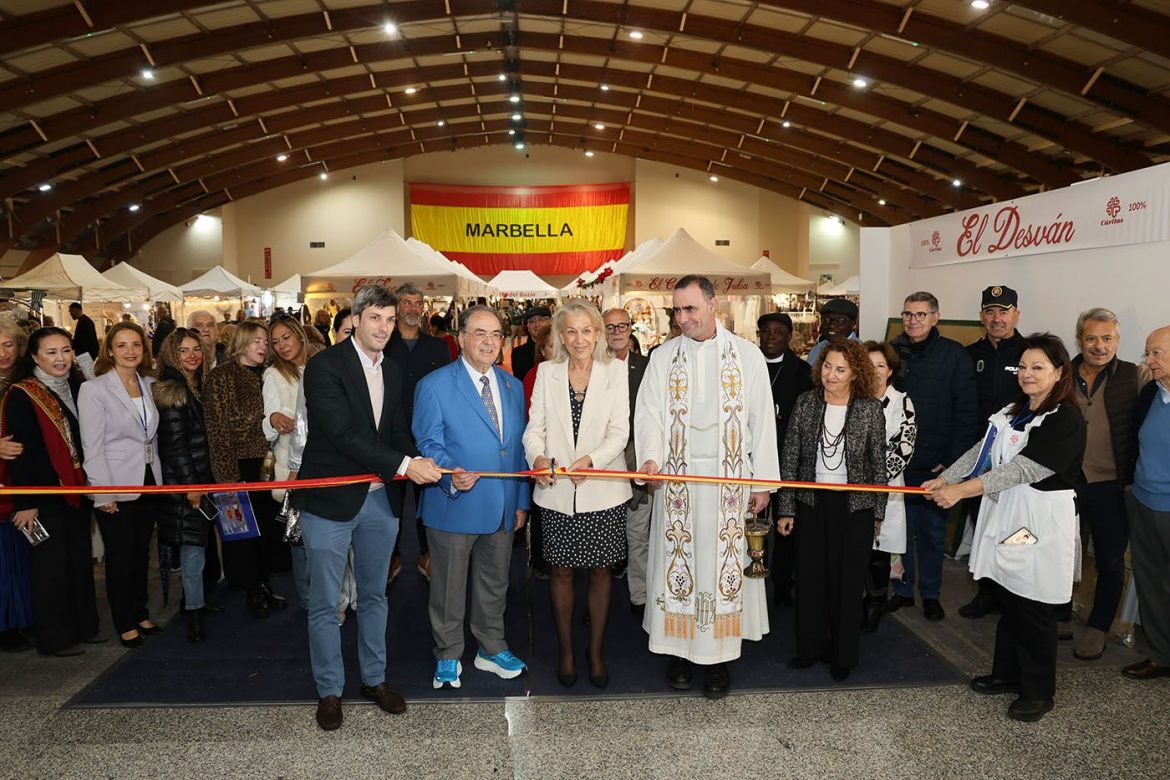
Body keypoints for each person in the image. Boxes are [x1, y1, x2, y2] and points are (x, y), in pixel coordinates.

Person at [292, 285, 441, 731]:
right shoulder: (324, 366)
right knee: (325, 603)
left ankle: (374, 680)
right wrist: (406, 465)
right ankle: (329, 690)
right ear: (355, 319)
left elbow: (395, 430)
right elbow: (342, 434)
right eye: (375, 318)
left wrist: (429, 461)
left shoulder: (391, 370)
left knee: (375, 596)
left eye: (390, 320)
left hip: (379, 500)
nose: (384, 327)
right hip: (329, 501)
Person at [924, 333, 1086, 722]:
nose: (1027, 374)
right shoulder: (1015, 411)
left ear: (1059, 371)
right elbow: (981, 452)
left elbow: (1021, 470)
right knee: (1008, 595)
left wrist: (960, 491)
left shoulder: (1063, 418)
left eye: (1038, 367)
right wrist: (947, 479)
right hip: (1009, 512)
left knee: (1033, 603)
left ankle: (1038, 690)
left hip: (1038, 520)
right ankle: (1007, 674)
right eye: (1023, 367)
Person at [634, 275, 779, 699]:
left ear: (713, 305)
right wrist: (650, 459)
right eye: (677, 310)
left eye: (690, 308)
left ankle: (718, 661)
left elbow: (761, 421)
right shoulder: (663, 357)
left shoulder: (747, 356)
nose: (682, 318)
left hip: (728, 485)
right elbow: (649, 414)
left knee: (721, 570)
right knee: (679, 565)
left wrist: (763, 482)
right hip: (677, 483)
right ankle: (678, 653)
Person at [413, 305, 531, 691]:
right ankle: (448, 653)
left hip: (502, 505)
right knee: (448, 587)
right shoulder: (434, 385)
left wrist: (521, 501)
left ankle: (491, 648)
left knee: (495, 583)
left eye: (496, 334)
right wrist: (452, 474)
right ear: (461, 338)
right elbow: (429, 443)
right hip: (453, 503)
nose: (488, 341)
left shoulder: (512, 386)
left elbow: (518, 449)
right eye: (479, 333)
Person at [524, 300, 631, 688]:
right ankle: (567, 650)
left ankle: (595, 651)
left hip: (603, 489)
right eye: (571, 331)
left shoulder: (615, 371)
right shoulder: (546, 372)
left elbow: (619, 432)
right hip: (555, 490)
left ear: (598, 333)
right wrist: (537, 457)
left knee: (602, 572)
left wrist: (592, 461)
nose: (579, 338)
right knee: (561, 572)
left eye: (586, 330)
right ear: (560, 335)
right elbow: (534, 428)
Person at [777, 339, 887, 681]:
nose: (831, 375)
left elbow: (878, 464)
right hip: (811, 503)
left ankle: (842, 654)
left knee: (847, 582)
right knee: (810, 578)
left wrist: (878, 513)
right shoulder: (806, 402)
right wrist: (786, 508)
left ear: (855, 373)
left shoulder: (870, 408)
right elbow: (790, 457)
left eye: (840, 369)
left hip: (855, 507)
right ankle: (809, 649)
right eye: (827, 366)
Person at [2, 328, 101, 656]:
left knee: (79, 561)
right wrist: (26, 501)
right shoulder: (23, 394)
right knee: (51, 568)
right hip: (43, 496)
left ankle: (85, 627)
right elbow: (20, 453)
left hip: (75, 490)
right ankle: (55, 639)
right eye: (51, 352)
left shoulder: (78, 385)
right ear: (34, 357)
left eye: (66, 350)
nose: (61, 359)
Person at [889, 291, 978, 621]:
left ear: (935, 317)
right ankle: (902, 591)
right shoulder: (892, 352)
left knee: (931, 534)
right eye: (908, 314)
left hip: (935, 465)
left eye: (921, 314)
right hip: (897, 463)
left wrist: (951, 461)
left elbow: (967, 412)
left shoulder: (954, 355)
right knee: (898, 532)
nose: (913, 321)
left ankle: (930, 595)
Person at [1066, 309, 1147, 660]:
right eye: (1091, 338)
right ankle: (1058, 616)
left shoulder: (1134, 376)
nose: (1099, 346)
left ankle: (1098, 629)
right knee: (1062, 553)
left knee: (1111, 561)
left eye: (1107, 338)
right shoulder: (1062, 374)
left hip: (1110, 486)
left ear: (1117, 340)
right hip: (1066, 482)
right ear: (1079, 340)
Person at [78, 322, 162, 649]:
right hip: (114, 481)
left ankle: (140, 612)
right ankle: (124, 621)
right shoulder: (94, 389)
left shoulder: (149, 384)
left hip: (149, 479)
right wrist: (103, 492)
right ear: (110, 351)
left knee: (141, 552)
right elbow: (92, 445)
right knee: (120, 556)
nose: (130, 351)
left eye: (136, 345)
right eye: (122, 345)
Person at [204, 321, 288, 618]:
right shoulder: (221, 377)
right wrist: (227, 479)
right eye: (257, 341)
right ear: (241, 343)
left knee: (266, 530)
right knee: (243, 535)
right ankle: (252, 590)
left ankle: (264, 585)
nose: (263, 346)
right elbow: (217, 431)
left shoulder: (270, 373)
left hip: (268, 463)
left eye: (266, 341)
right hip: (237, 466)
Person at [960, 285, 1027, 620]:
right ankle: (986, 592)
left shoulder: (1031, 353)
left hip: (1019, 458)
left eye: (1003, 311)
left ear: (1016, 314)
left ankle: (1015, 594)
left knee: (1016, 527)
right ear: (981, 316)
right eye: (990, 312)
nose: (996, 318)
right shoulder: (969, 355)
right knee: (983, 524)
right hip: (979, 458)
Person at [153, 328, 220, 643]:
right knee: (192, 549)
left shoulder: (196, 384)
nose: (192, 355)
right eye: (184, 350)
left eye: (196, 349)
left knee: (198, 546)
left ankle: (197, 603)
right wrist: (193, 486)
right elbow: (175, 447)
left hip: (200, 477)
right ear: (171, 355)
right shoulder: (172, 390)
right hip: (186, 482)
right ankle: (194, 613)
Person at [385, 283, 451, 584]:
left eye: (417, 303)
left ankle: (428, 554)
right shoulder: (383, 345)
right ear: (397, 307)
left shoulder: (438, 348)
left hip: (429, 437)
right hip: (391, 436)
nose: (412, 308)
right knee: (392, 503)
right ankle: (392, 557)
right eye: (406, 302)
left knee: (429, 500)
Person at [1122, 325, 1170, 681]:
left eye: (1157, 353)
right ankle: (1161, 653)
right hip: (1142, 500)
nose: (1149, 361)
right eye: (1148, 353)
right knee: (1151, 581)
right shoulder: (1152, 392)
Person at [262, 315, 320, 608]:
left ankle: (336, 596)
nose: (282, 345)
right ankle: (310, 600)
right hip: (293, 466)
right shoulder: (274, 374)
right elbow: (268, 417)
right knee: (299, 534)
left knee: (329, 534)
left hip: (327, 461)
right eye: (275, 342)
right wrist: (274, 419)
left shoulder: (322, 364)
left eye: (286, 337)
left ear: (299, 334)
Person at [757, 311, 814, 607]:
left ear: (789, 336)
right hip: (752, 460)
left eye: (778, 332)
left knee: (786, 525)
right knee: (752, 524)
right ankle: (754, 580)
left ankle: (782, 583)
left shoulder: (803, 372)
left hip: (787, 461)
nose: (771, 338)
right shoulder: (746, 364)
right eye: (765, 332)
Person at [862, 341, 916, 632]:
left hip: (888, 488)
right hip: (853, 488)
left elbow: (904, 449)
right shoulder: (852, 399)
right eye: (869, 365)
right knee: (857, 548)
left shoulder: (902, 403)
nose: (875, 371)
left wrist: (874, 480)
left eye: (880, 365)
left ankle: (876, 602)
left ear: (891, 370)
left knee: (879, 552)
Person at [603, 306, 651, 615]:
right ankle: (599, 598)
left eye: (622, 326)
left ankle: (640, 596)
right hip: (602, 462)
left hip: (638, 459)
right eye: (610, 327)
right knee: (603, 533)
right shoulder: (590, 366)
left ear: (631, 329)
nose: (617, 332)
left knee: (638, 532)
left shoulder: (647, 367)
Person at [0, 321, 31, 652]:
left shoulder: (26, 382)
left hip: (21, 483)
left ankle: (20, 620)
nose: (2, 353)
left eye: (8, 345)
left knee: (19, 558)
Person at [806, 298, 859, 365]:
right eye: (826, 320)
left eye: (839, 321)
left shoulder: (863, 353)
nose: (831, 325)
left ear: (853, 324)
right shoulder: (816, 350)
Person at [510, 306, 551, 382]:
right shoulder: (518, 354)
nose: (537, 324)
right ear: (527, 327)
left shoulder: (560, 349)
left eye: (541, 320)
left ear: (550, 322)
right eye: (532, 321)